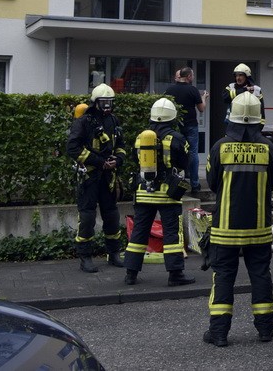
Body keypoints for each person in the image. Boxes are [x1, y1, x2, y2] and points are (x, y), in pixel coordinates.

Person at [203, 91, 273, 347]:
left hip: (225, 228)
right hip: (258, 227)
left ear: (232, 118)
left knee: (223, 276)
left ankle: (219, 333)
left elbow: (213, 184)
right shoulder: (269, 148)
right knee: (260, 275)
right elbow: (271, 184)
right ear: (258, 118)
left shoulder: (219, 147)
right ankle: (266, 330)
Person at [123, 98, 195, 287]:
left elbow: (134, 159)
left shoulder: (141, 137)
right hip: (167, 194)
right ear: (172, 116)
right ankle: (175, 274)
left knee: (139, 232)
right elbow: (184, 163)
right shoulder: (177, 138)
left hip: (143, 192)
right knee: (171, 234)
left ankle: (130, 274)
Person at [66, 83, 127, 273]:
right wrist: (99, 162)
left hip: (108, 176)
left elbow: (121, 146)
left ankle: (114, 253)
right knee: (87, 217)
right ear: (96, 103)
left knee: (111, 215)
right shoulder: (84, 122)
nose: (107, 106)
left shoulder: (114, 121)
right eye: (104, 102)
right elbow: (73, 148)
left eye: (110, 102)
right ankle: (85, 257)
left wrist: (118, 160)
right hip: (90, 177)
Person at [165, 66, 206, 193]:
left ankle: (172, 181)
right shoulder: (192, 90)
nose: (193, 78)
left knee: (173, 152)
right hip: (191, 126)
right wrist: (204, 97)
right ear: (188, 76)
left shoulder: (170, 89)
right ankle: (194, 184)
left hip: (175, 125)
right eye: (192, 76)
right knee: (193, 153)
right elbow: (201, 109)